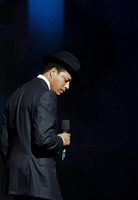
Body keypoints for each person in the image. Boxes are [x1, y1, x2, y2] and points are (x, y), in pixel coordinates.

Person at [0, 51, 80, 200]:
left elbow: (4, 141)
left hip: (15, 182)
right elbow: (43, 139)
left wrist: (15, 165)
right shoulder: (46, 95)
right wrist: (61, 140)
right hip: (39, 183)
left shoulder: (16, 94)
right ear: (53, 72)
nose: (67, 86)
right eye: (66, 80)